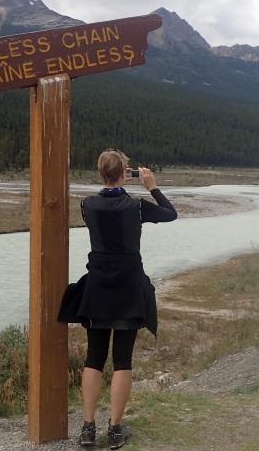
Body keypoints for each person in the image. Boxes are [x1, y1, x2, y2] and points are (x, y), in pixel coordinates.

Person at [58, 149, 177, 449]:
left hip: (98, 288)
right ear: (125, 173)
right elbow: (170, 213)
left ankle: (88, 429)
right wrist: (152, 186)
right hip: (128, 288)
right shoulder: (136, 207)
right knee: (122, 360)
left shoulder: (87, 205)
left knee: (94, 358)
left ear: (101, 173)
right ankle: (114, 430)